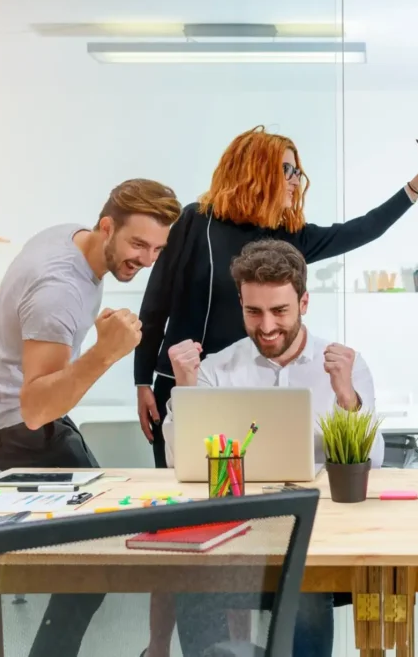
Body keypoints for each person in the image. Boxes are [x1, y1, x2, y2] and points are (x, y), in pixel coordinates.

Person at [135, 120, 418, 469]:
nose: (295, 179)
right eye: (286, 169)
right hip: (185, 382)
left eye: (297, 170)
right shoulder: (197, 221)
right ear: (255, 170)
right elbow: (155, 304)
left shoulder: (290, 236)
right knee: (189, 481)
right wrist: (142, 379)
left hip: (249, 386)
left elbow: (363, 228)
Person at [0, 178, 183, 657]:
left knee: (97, 539)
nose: (148, 260)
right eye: (137, 244)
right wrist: (105, 353)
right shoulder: (60, 291)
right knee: (96, 557)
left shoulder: (73, 239)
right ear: (107, 226)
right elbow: (35, 408)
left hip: (16, 416)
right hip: (17, 429)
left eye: (157, 249)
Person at [160, 240, 382, 657]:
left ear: (304, 302)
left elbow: (374, 461)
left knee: (307, 594)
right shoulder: (216, 369)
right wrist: (186, 389)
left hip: (314, 530)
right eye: (253, 312)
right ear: (240, 303)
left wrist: (345, 396)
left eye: (280, 311)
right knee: (193, 591)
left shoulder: (344, 365)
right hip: (232, 525)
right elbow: (180, 460)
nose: (266, 327)